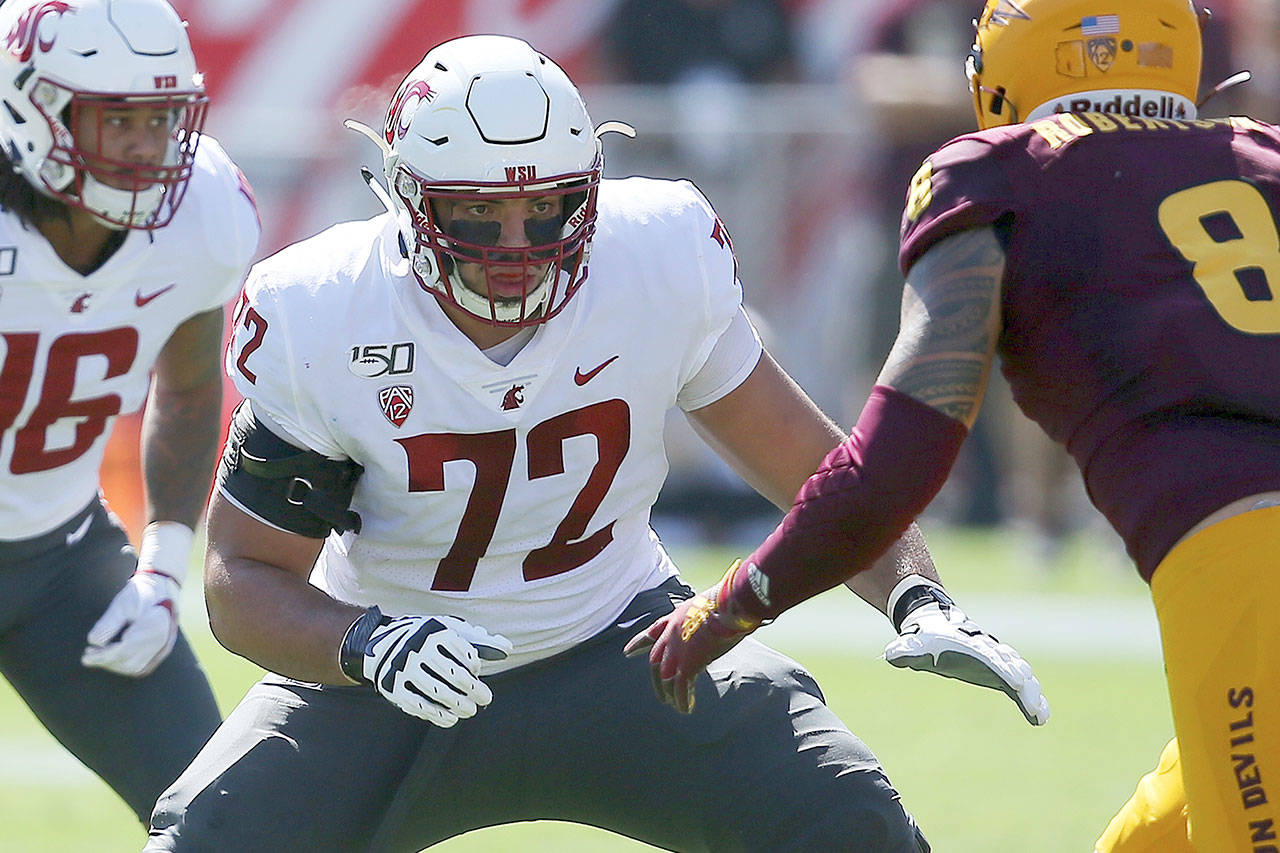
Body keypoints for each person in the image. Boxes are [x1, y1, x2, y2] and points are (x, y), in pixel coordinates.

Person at [144, 34, 1046, 852]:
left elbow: (813, 468)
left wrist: (917, 593)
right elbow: (242, 579)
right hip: (399, 672)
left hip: (624, 641)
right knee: (206, 839)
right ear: (407, 203)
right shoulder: (323, 308)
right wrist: (366, 643)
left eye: (548, 213)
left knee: (851, 825)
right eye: (475, 216)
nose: (516, 247)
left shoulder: (653, 251)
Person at [629, 0, 1280, 849]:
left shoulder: (997, 174)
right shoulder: (1262, 153)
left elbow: (893, 464)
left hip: (1246, 564)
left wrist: (731, 604)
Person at [0, 0, 259, 829]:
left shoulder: (200, 212)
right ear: (30, 109)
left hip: (57, 564)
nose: (149, 146)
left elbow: (186, 387)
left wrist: (161, 563)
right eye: (119, 121)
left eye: (162, 118)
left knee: (233, 822)